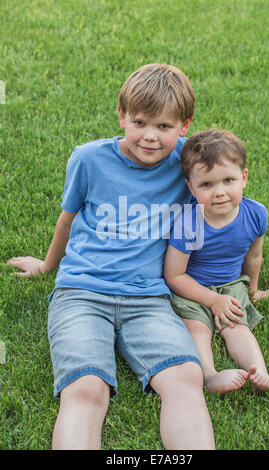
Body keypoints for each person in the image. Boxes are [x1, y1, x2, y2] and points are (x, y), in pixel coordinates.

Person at [7, 64, 215, 450]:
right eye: (139, 122)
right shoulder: (88, 159)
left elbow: (226, 189)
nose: (150, 136)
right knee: (86, 388)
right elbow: (67, 219)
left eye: (165, 127)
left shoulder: (190, 163)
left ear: (185, 126)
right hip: (81, 294)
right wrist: (47, 266)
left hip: (149, 299)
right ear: (121, 115)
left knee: (187, 376)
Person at [164, 129, 269, 395]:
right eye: (207, 185)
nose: (220, 192)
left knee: (237, 326)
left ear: (243, 177)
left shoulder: (255, 214)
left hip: (231, 284)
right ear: (190, 187)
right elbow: (174, 275)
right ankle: (210, 376)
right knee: (198, 329)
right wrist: (212, 301)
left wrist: (251, 290)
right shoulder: (189, 222)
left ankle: (258, 369)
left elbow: (253, 256)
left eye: (228, 180)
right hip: (192, 289)